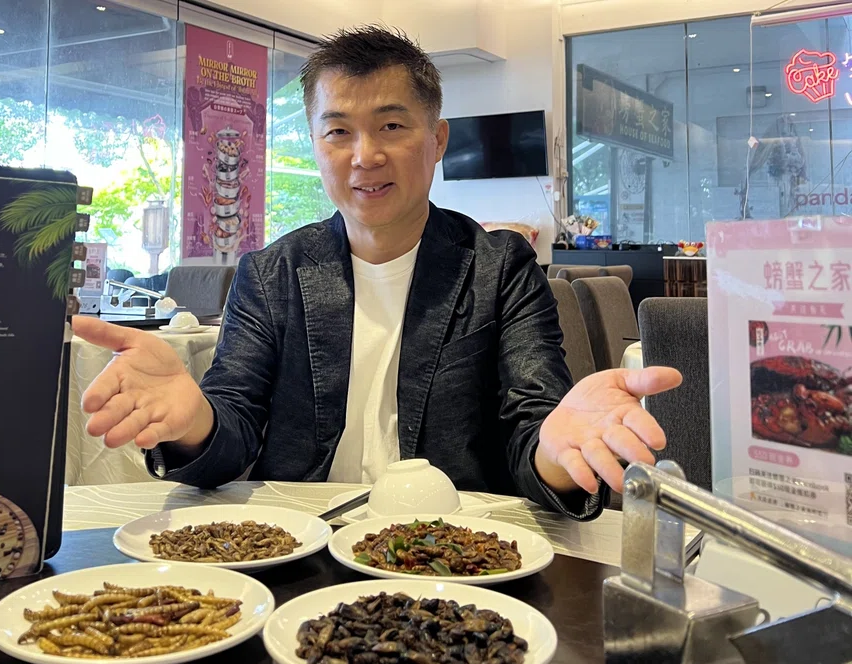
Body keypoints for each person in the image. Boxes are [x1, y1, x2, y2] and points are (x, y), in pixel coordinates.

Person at [72, 26, 681, 521]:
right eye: (338, 131)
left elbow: (533, 431)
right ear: (316, 145)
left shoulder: (500, 268)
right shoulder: (273, 272)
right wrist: (194, 422)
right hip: (300, 546)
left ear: (437, 139)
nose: (365, 155)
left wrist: (556, 449)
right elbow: (232, 427)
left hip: (450, 548)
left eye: (392, 125)